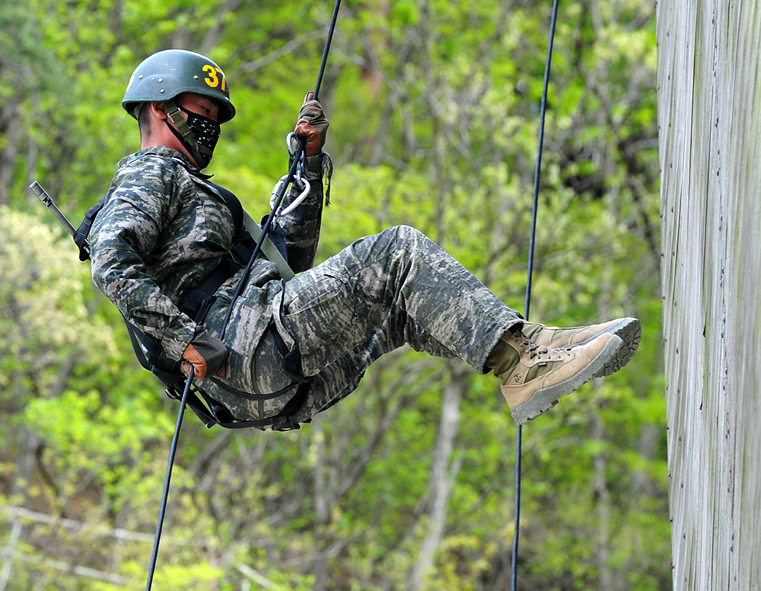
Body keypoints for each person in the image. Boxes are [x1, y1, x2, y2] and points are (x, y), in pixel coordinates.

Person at [87, 49, 639, 430]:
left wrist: (307, 167)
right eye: (199, 112)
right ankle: (525, 359)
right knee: (397, 253)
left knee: (401, 307)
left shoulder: (198, 194)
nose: (210, 126)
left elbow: (287, 266)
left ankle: (529, 355)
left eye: (216, 117)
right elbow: (111, 263)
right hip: (241, 350)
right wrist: (185, 339)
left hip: (266, 378)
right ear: (160, 109)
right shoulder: (150, 172)